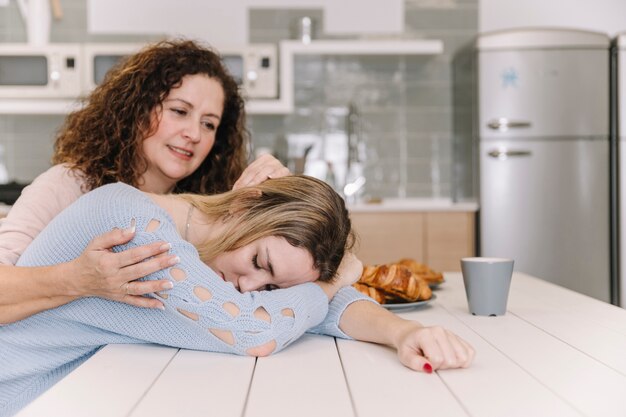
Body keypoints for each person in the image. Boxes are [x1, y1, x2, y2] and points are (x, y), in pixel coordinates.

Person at [0, 175, 473, 416]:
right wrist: (330, 282)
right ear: (248, 204)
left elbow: (311, 306)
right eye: (260, 264)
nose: (248, 288)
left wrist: (403, 331)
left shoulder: (201, 245)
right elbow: (254, 329)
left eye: (270, 287)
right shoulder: (137, 230)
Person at [0, 39, 289, 324]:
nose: (195, 134)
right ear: (137, 109)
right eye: (179, 111)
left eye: (209, 124)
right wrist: (78, 279)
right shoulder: (68, 184)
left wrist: (287, 196)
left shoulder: (208, 214)